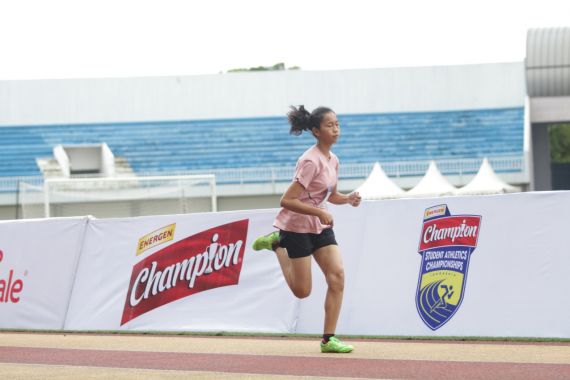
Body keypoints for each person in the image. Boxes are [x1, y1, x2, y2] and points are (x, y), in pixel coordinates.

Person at [252, 105, 361, 353]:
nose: (336, 129)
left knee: (337, 276)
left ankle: (328, 339)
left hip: (319, 227)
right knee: (302, 291)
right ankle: (277, 244)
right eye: (329, 125)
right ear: (315, 131)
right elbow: (287, 201)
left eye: (337, 124)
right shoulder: (310, 161)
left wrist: (348, 198)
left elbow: (329, 196)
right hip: (296, 227)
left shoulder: (334, 160)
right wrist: (320, 212)